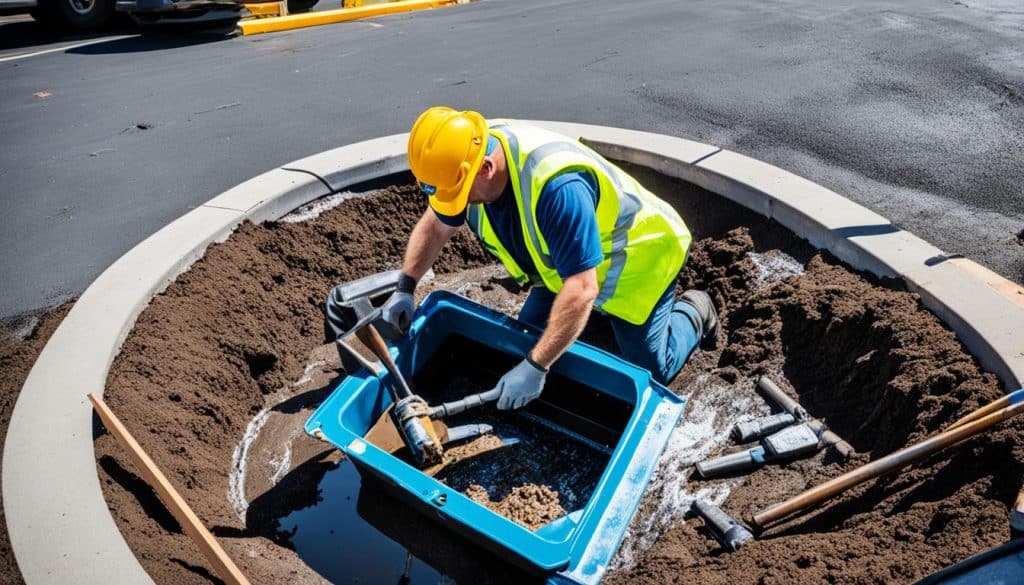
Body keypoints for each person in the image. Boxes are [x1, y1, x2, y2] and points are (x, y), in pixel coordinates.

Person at [380, 107, 717, 410]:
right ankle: (584, 324)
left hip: (639, 262)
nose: (458, 206)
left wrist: (536, 367)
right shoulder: (469, 150)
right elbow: (436, 225)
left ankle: (695, 310)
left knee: (652, 370)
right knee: (525, 340)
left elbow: (583, 287)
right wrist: (405, 287)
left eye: (460, 195)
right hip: (561, 269)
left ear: (484, 169)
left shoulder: (557, 189)